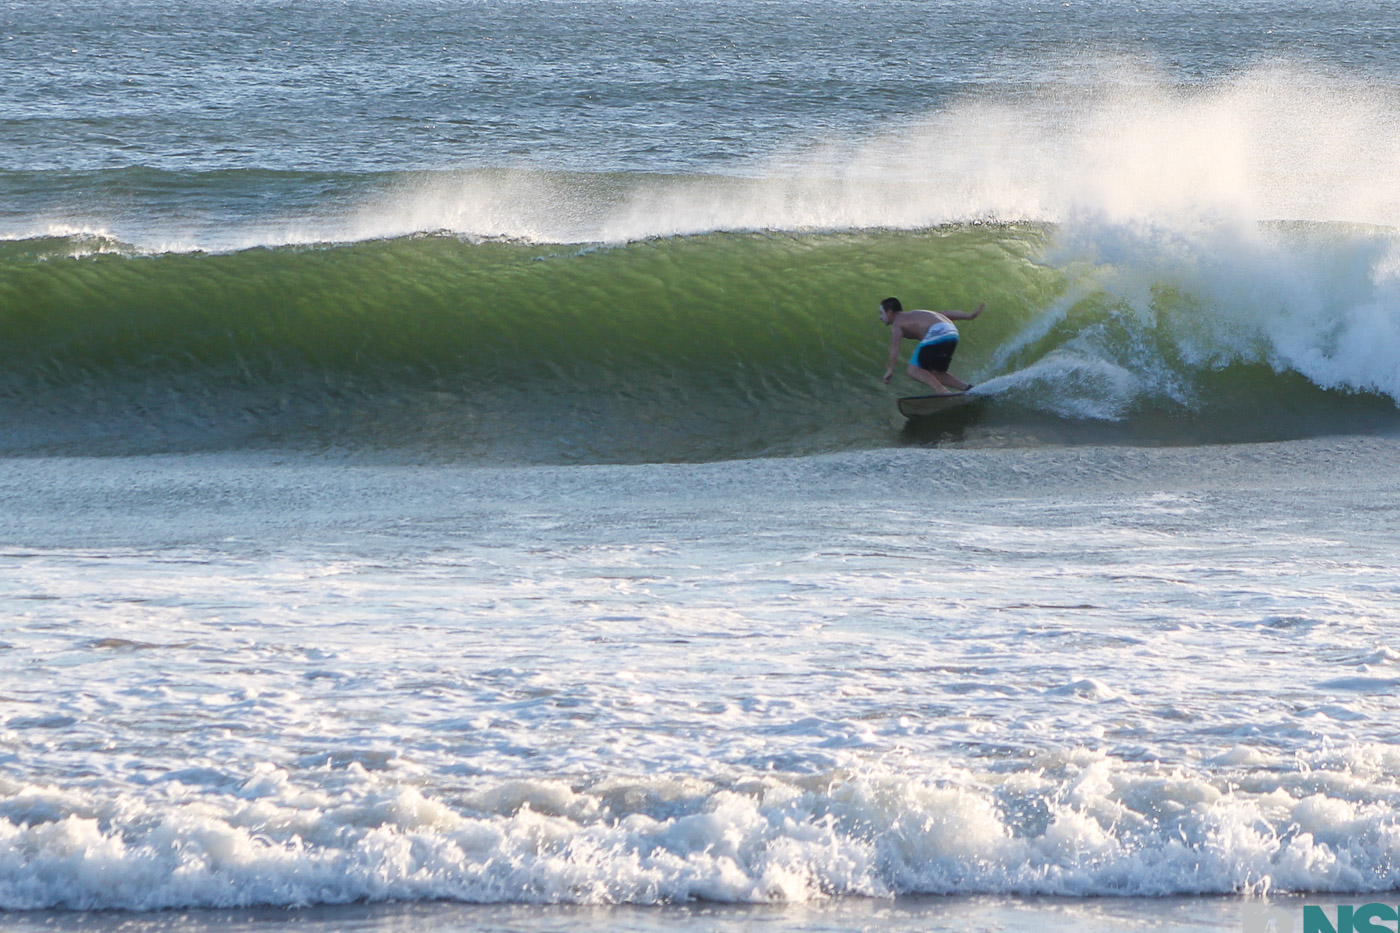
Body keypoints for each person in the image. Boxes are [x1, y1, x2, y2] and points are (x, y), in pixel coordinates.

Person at [878, 296, 985, 396]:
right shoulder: (917, 314)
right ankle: (970, 389)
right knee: (936, 373)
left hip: (937, 333)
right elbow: (944, 313)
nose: (880, 317)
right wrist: (969, 316)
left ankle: (943, 392)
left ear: (890, 312)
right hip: (952, 333)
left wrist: (890, 369)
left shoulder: (897, 323)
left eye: (881, 313)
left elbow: (895, 347)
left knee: (912, 370)